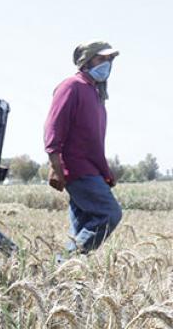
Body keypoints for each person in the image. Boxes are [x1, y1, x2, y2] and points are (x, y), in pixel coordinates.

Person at [44, 40, 122, 256]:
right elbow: (54, 125)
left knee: (83, 225)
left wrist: (104, 171)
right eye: (101, 58)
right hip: (77, 168)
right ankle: (64, 265)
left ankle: (66, 280)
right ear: (86, 61)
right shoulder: (72, 86)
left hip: (90, 167)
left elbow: (92, 141)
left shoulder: (95, 94)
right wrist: (55, 164)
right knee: (109, 213)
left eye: (110, 60)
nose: (107, 64)